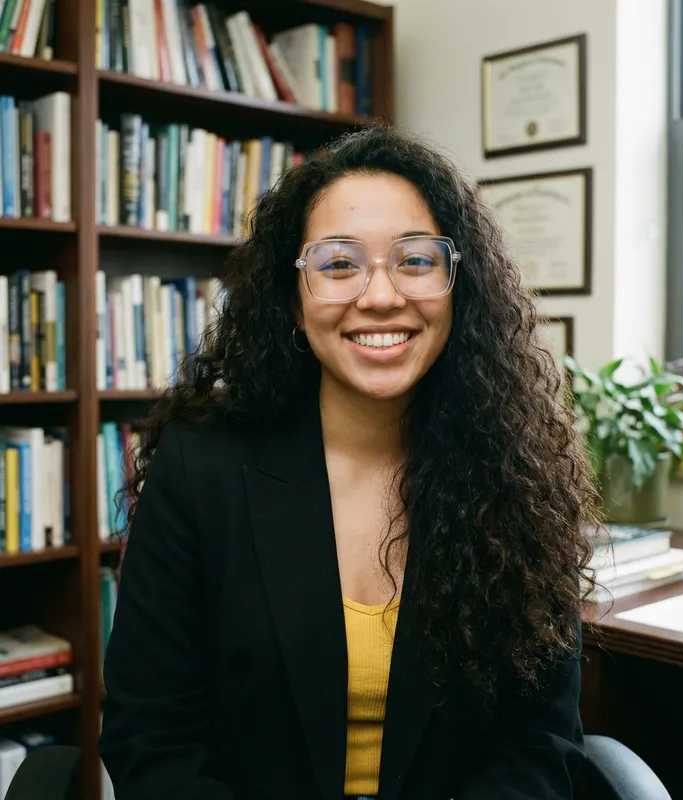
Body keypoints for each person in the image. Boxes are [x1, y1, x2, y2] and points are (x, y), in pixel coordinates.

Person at [98, 125, 597, 800]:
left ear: (458, 287)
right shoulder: (200, 468)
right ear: (294, 303)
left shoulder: (517, 477)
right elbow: (152, 739)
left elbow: (540, 745)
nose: (381, 295)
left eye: (415, 261)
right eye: (339, 264)